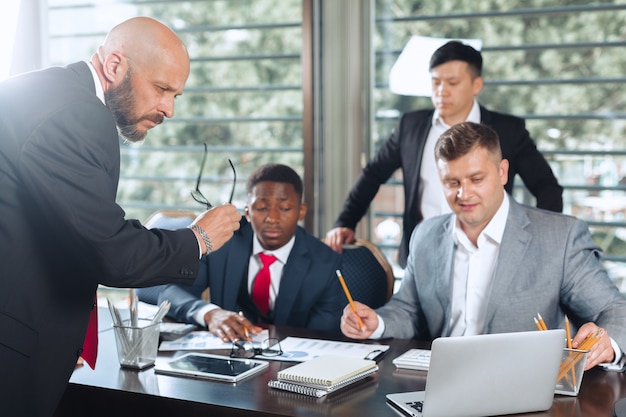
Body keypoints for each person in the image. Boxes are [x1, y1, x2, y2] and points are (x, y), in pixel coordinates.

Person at [0, 17, 241, 417]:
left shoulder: (40, 89)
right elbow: (110, 251)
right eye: (162, 89)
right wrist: (199, 238)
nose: (169, 109)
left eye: (176, 95)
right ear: (114, 66)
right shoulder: (78, 113)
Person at [340, 122, 626, 371]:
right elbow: (409, 310)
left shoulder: (559, 237)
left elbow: (614, 308)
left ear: (502, 173)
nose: (464, 194)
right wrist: (376, 322)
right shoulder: (425, 235)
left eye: (476, 179)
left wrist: (608, 342)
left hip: (522, 384)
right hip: (439, 380)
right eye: (452, 182)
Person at [326, 40, 563, 267]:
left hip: (489, 255)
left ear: (476, 85)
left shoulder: (507, 130)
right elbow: (373, 174)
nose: (442, 91)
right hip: (421, 255)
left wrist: (538, 239)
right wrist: (345, 222)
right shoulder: (411, 125)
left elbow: (547, 187)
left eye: (452, 83)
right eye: (436, 82)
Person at [159, 163, 344, 342]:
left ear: (301, 211)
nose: (272, 218)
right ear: (247, 212)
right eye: (262, 208)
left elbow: (324, 333)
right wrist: (209, 313)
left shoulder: (325, 262)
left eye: (285, 208)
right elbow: (171, 293)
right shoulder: (221, 242)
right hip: (228, 355)